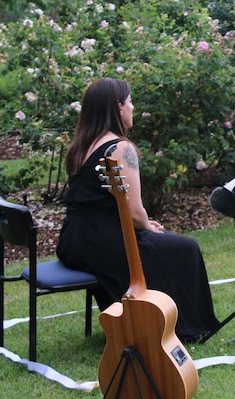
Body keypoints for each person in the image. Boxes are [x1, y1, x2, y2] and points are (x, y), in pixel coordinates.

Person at [57, 78, 220, 342]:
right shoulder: (120, 148)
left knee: (158, 243)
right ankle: (184, 328)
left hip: (74, 241)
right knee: (185, 248)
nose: (133, 107)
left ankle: (143, 316)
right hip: (105, 241)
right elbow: (134, 213)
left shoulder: (80, 146)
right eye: (130, 101)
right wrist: (147, 226)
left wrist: (143, 226)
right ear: (118, 108)